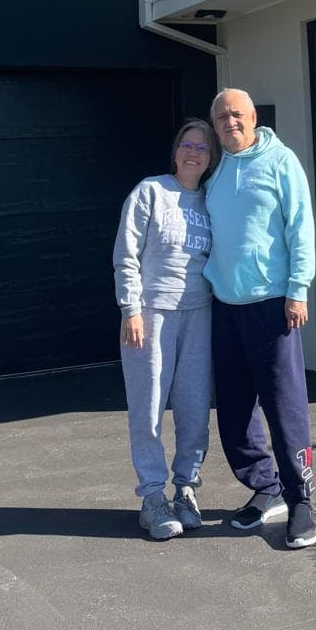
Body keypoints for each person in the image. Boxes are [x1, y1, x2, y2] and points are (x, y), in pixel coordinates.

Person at [204, 88, 316, 550]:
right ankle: (265, 486)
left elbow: (301, 226)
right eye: (221, 117)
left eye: (237, 114)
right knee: (233, 410)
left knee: (284, 406)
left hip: (273, 304)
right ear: (214, 126)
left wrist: (298, 290)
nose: (230, 122)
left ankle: (301, 498)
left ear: (252, 118)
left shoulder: (280, 161)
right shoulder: (215, 174)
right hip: (225, 307)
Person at [113, 119, 217, 540]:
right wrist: (130, 309)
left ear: (211, 159)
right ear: (175, 152)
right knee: (149, 405)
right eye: (186, 145)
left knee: (194, 407)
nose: (194, 152)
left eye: (203, 147)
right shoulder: (150, 192)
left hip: (200, 314)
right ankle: (153, 497)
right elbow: (126, 254)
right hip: (152, 315)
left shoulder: (213, 200)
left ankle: (186, 488)